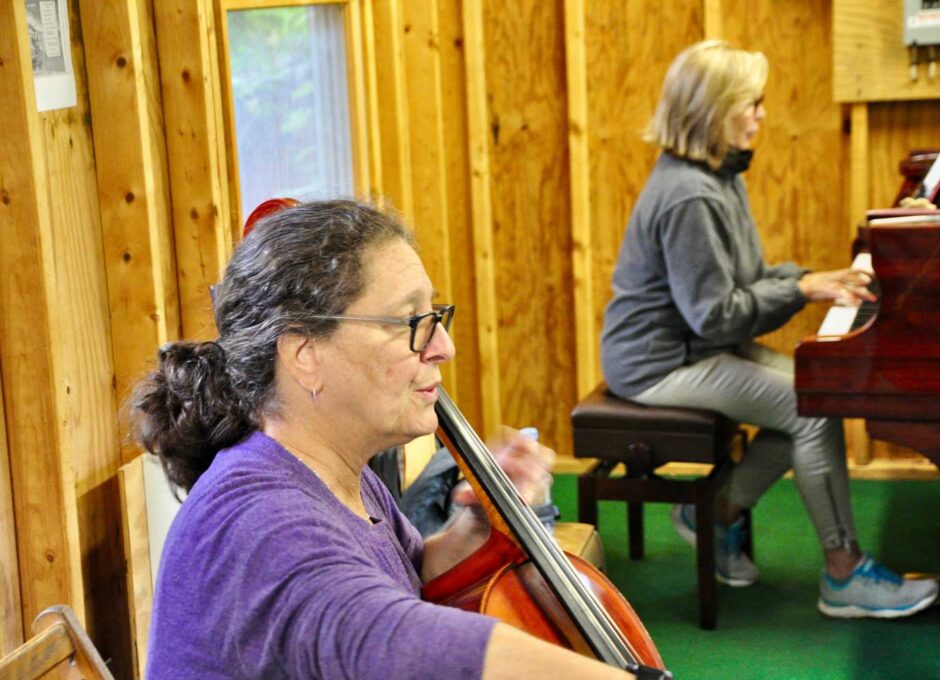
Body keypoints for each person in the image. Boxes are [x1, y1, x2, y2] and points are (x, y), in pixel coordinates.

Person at [132, 200, 635, 679]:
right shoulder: (260, 523)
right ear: (304, 353)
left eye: (436, 315)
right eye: (408, 322)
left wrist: (473, 528)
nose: (444, 346)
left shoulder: (338, 473)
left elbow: (406, 576)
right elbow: (396, 641)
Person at [600, 40, 939, 619]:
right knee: (811, 406)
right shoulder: (688, 195)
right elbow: (715, 313)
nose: (760, 114)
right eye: (749, 103)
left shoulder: (720, 176)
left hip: (697, 346)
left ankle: (715, 514)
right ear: (714, 111)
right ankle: (843, 573)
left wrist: (812, 278)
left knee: (816, 396)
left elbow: (746, 282)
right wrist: (804, 290)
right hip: (658, 364)